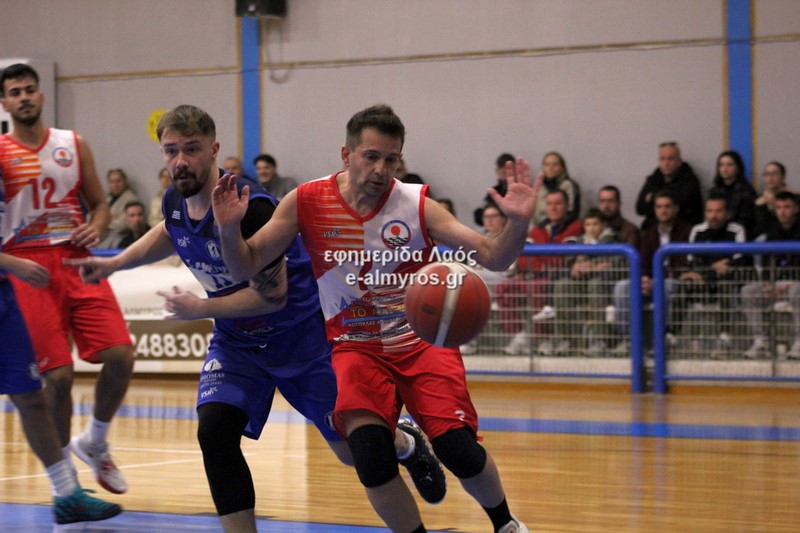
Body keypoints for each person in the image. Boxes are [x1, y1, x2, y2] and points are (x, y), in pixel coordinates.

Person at [67, 104, 446, 533]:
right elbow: (170, 231)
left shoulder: (252, 207)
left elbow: (272, 298)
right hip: (238, 345)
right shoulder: (176, 199)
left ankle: (404, 442)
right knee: (214, 433)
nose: (181, 160)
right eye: (171, 150)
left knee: (352, 452)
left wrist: (201, 308)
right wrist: (115, 264)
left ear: (214, 150)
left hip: (302, 340)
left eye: (191, 149)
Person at [212, 104, 532, 533]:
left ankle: (506, 523)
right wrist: (229, 230)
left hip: (421, 343)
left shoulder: (417, 205)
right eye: (371, 156)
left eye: (391, 159)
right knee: (368, 454)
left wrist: (518, 223)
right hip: (355, 347)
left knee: (458, 449)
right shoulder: (306, 201)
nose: (381, 169)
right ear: (346, 155)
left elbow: (494, 256)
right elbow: (245, 266)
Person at [0, 63, 134, 496]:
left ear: (41, 96)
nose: (24, 97)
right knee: (57, 379)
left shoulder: (72, 144)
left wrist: (97, 225)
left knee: (121, 355)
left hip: (77, 261)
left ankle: (95, 441)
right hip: (28, 266)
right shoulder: (0, 152)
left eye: (29, 89)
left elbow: (100, 204)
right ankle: (68, 487)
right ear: (4, 103)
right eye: (15, 92)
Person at [1, 189, 122, 524]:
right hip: (13, 269)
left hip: (6, 291)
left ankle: (67, 494)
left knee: (30, 397)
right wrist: (12, 262)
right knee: (44, 386)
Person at [497, 189, 583, 356]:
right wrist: (542, 264)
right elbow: (523, 258)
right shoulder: (537, 230)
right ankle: (519, 335)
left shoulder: (575, 227)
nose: (553, 208)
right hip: (533, 276)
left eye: (558, 203)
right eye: (549, 204)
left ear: (568, 206)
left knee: (537, 288)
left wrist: (539, 262)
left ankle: (543, 338)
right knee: (503, 288)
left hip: (555, 279)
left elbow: (565, 258)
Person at [611, 190, 692, 353]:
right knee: (622, 287)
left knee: (668, 285)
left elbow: (684, 263)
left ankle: (665, 337)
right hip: (651, 281)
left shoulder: (687, 231)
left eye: (667, 206)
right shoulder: (649, 233)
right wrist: (645, 279)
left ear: (676, 208)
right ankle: (627, 338)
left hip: (673, 280)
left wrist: (657, 281)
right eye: (659, 207)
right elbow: (643, 262)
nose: (663, 210)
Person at [675, 193, 752, 358]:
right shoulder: (697, 230)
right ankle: (671, 337)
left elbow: (738, 262)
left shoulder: (737, 230)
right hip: (704, 282)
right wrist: (712, 268)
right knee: (683, 284)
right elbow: (692, 262)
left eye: (718, 211)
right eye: (709, 211)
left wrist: (705, 270)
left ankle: (724, 339)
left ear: (727, 213)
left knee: (726, 284)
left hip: (728, 282)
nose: (713, 216)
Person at [551, 208, 620, 355]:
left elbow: (616, 262)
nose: (591, 228)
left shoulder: (612, 240)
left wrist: (593, 266)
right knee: (562, 285)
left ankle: (601, 341)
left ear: (603, 225)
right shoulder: (581, 240)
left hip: (603, 286)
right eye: (588, 225)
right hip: (580, 283)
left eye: (595, 224)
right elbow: (570, 260)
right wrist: (575, 264)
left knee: (595, 285)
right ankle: (566, 340)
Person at [741, 191, 800, 359]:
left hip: (796, 284)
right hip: (776, 284)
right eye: (778, 207)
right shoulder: (771, 231)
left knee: (797, 290)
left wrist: (790, 283)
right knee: (748, 291)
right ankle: (761, 342)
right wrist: (769, 283)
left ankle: (799, 343)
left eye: (787, 207)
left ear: (796, 209)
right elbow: (766, 262)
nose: (782, 212)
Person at [459, 203, 516, 355]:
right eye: (486, 217)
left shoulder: (511, 238)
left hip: (504, 280)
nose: (489, 220)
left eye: (493, 216)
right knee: (469, 291)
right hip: (482, 281)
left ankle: (469, 341)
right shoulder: (478, 239)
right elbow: (473, 264)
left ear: (503, 219)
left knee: (469, 278)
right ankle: (468, 340)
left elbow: (509, 269)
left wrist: (484, 266)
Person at [635, 141, 703, 229]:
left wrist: (652, 198)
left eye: (670, 159)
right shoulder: (654, 179)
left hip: (682, 230)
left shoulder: (690, 181)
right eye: (662, 159)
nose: (666, 163)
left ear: (679, 161)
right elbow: (640, 208)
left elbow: (680, 207)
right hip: (654, 229)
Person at [708, 150, 757, 239]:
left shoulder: (747, 191)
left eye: (729, 165)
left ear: (738, 167)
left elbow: (747, 219)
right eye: (721, 165)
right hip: (715, 232)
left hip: (741, 234)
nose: (725, 169)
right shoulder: (714, 191)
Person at [530, 151, 581, 227]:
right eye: (547, 165)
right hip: (538, 228)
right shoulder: (538, 187)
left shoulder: (569, 186)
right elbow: (531, 213)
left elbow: (572, 212)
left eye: (555, 165)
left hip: (564, 228)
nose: (550, 168)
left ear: (562, 167)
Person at [96, 168, 140, 248]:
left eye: (118, 181)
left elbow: (124, 223)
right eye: (112, 182)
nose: (115, 185)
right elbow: (91, 216)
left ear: (124, 182)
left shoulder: (130, 199)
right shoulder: (106, 198)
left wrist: (103, 222)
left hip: (118, 236)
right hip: (101, 234)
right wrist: (110, 219)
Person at [473, 152, 515, 226]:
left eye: (507, 168)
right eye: (501, 167)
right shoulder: (493, 191)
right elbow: (479, 215)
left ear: (515, 169)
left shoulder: (522, 190)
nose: (504, 170)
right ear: (497, 170)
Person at [754, 161, 795, 237]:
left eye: (775, 173)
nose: (770, 177)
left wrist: (774, 205)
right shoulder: (759, 201)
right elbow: (761, 228)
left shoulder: (794, 197)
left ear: (783, 177)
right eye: (767, 174)